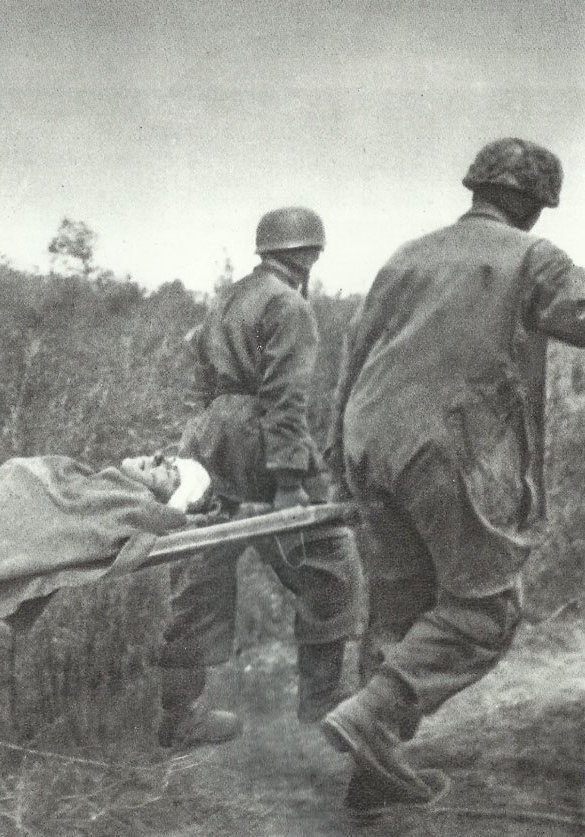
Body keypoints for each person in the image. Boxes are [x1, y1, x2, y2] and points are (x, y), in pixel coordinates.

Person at [320, 137, 585, 815]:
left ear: (477, 187)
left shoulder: (408, 254)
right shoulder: (532, 257)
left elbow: (355, 353)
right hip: (448, 446)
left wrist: (339, 461)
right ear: (530, 202)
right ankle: (372, 715)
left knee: (399, 611)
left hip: (369, 441)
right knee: (484, 610)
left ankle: (371, 778)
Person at [156, 207, 364, 749]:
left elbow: (199, 372)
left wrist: (203, 436)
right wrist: (291, 478)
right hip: (261, 439)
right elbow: (286, 397)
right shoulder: (289, 304)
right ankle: (321, 711)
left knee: (203, 566)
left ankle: (180, 716)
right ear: (311, 254)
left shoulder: (227, 296)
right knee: (329, 564)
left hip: (208, 437)